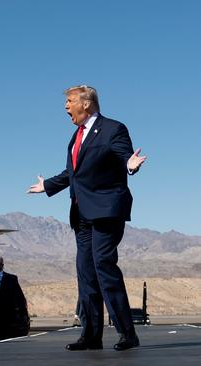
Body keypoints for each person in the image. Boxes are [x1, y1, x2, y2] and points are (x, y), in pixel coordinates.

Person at [27, 85, 146, 351]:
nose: (66, 107)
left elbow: (124, 155)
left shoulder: (113, 128)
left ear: (87, 103)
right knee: (86, 273)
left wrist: (130, 164)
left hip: (106, 209)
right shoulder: (76, 136)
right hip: (80, 214)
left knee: (103, 264)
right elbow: (74, 173)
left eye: (70, 102)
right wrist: (48, 186)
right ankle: (91, 336)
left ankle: (127, 333)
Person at [0, 256, 29, 341]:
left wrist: (23, 315)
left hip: (5, 318)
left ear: (2, 265)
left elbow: (19, 298)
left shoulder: (10, 279)